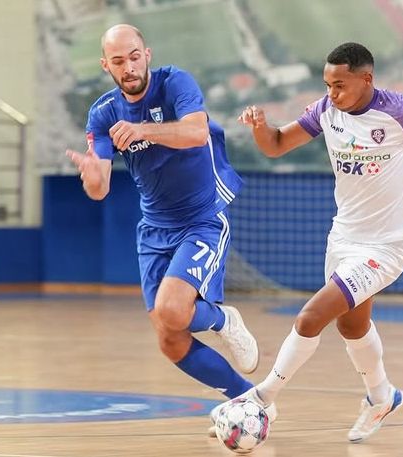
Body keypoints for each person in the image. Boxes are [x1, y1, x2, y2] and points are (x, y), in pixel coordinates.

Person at [215, 42, 403, 443]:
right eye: (327, 84)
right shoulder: (325, 110)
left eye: (339, 85)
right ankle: (382, 396)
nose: (332, 93)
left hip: (384, 248)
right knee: (352, 326)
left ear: (366, 79)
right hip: (343, 239)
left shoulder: (401, 110)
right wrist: (259, 128)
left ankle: (260, 398)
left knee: (310, 318)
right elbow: (277, 145)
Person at [67, 24, 268, 425]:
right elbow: (100, 188)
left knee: (173, 310)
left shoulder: (175, 82)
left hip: (202, 219)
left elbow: (195, 132)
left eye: (134, 57)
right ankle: (250, 401)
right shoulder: (103, 112)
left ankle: (224, 320)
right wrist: (91, 176)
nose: (129, 67)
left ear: (147, 54)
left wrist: (142, 130)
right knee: (169, 338)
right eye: (118, 61)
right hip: (155, 228)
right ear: (106, 65)